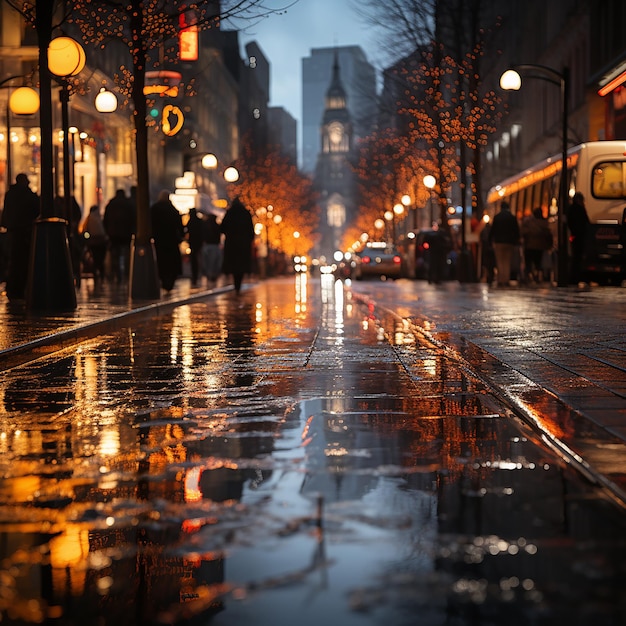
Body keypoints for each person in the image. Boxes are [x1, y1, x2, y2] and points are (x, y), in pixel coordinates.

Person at [1, 173, 39, 301]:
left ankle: (13, 289)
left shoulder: (10, 194)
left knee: (14, 261)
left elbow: (6, 213)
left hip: (13, 231)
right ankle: (20, 289)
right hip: (25, 232)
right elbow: (37, 208)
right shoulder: (27, 195)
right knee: (23, 262)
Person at [150, 189, 184, 292]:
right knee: (172, 262)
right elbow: (179, 226)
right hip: (171, 240)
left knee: (161, 261)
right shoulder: (173, 210)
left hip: (158, 240)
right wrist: (181, 236)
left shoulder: (154, 209)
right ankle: (170, 281)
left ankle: (163, 279)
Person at [220, 196, 255, 293]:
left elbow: (222, 228)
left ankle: (236, 284)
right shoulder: (246, 213)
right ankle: (238, 284)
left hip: (232, 243)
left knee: (233, 263)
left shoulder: (229, 213)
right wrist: (249, 239)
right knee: (241, 264)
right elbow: (251, 230)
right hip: (243, 243)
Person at [103, 189, 135, 282]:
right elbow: (133, 218)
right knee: (127, 253)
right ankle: (127, 273)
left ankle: (116, 272)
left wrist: (107, 231)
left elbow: (105, 219)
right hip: (126, 233)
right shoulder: (128, 204)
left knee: (115, 254)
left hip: (113, 234)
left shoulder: (111, 204)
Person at [489, 201, 520, 287]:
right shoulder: (512, 218)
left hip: (499, 242)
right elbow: (516, 230)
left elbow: (492, 231)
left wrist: (491, 241)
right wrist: (516, 241)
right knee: (507, 261)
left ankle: (500, 279)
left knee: (500, 261)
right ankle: (506, 280)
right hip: (509, 242)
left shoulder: (497, 217)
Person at [521, 207, 553, 283]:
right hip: (540, 247)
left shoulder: (528, 222)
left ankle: (528, 276)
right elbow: (548, 235)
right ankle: (537, 276)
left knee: (528, 262)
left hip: (529, 246)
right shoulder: (544, 223)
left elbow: (523, 232)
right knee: (538, 263)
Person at [566, 191, 590, 285]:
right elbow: (585, 222)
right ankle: (575, 277)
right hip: (579, 236)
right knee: (577, 257)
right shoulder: (580, 209)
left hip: (575, 236)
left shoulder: (571, 209)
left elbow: (570, 222)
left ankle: (574, 277)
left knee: (575, 257)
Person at [80, 205, 108, 282]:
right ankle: (102, 275)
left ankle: (96, 274)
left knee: (95, 258)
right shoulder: (100, 218)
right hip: (101, 242)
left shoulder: (89, 219)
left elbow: (84, 230)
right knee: (101, 259)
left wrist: (87, 238)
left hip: (93, 242)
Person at [201, 212, 222, 282]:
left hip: (207, 245)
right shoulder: (216, 226)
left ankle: (208, 274)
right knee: (213, 262)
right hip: (214, 246)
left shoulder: (205, 226)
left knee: (207, 262)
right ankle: (213, 275)